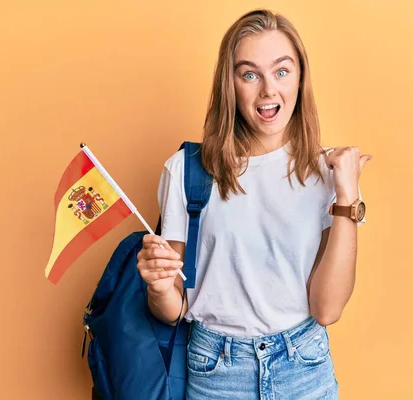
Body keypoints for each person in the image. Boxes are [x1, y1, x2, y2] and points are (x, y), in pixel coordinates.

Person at [137, 8, 371, 399]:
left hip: (304, 368)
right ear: (230, 85)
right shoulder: (186, 170)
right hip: (216, 371)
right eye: (250, 74)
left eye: (282, 71)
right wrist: (159, 287)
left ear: (300, 79)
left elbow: (327, 309)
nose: (268, 90)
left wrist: (347, 198)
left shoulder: (326, 172)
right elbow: (172, 307)